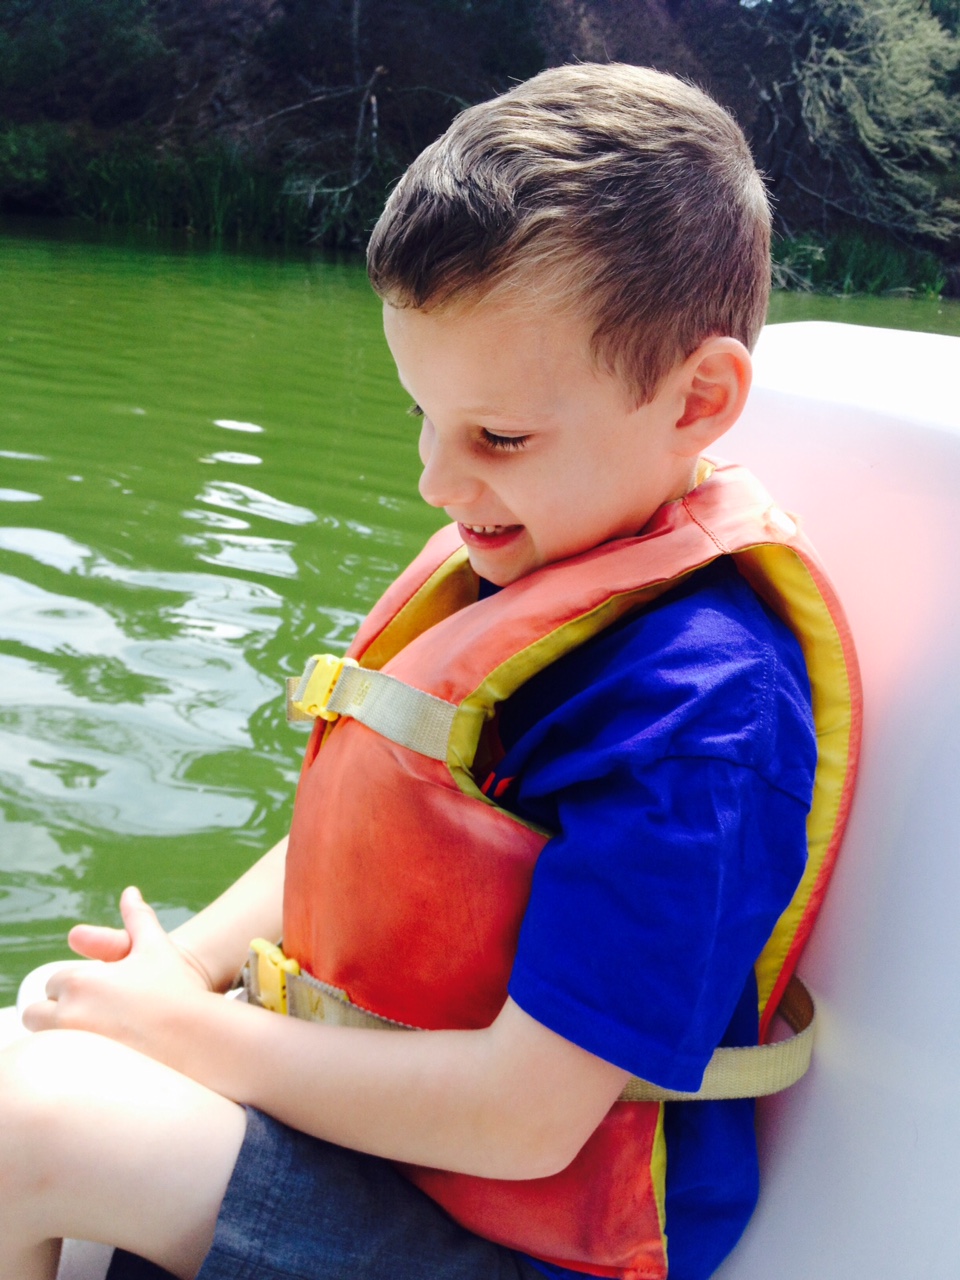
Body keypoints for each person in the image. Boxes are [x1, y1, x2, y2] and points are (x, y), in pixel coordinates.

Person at [0, 63, 859, 1280]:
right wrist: (182, 971)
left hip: (518, 1241)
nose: (436, 484)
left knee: (31, 1125)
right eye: (422, 415)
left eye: (498, 436)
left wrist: (194, 1035)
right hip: (385, 1159)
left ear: (697, 400)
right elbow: (382, 831)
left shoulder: (702, 718)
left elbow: (525, 1116)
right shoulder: (539, 554)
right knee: (47, 1041)